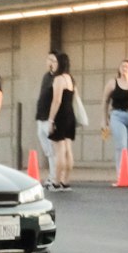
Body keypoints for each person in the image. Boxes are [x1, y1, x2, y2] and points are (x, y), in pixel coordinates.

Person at [47, 51, 77, 190]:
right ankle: (66, 181)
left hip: (61, 116)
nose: (53, 64)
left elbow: (56, 100)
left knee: (59, 150)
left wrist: (51, 120)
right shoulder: (70, 79)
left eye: (55, 62)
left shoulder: (59, 79)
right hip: (70, 115)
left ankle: (57, 182)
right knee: (68, 150)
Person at [34, 52, 59, 188]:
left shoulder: (59, 78)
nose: (50, 62)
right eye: (49, 59)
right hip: (41, 115)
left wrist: (52, 119)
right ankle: (52, 174)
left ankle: (55, 176)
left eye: (53, 60)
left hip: (51, 118)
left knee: (53, 148)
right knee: (47, 149)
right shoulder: (46, 77)